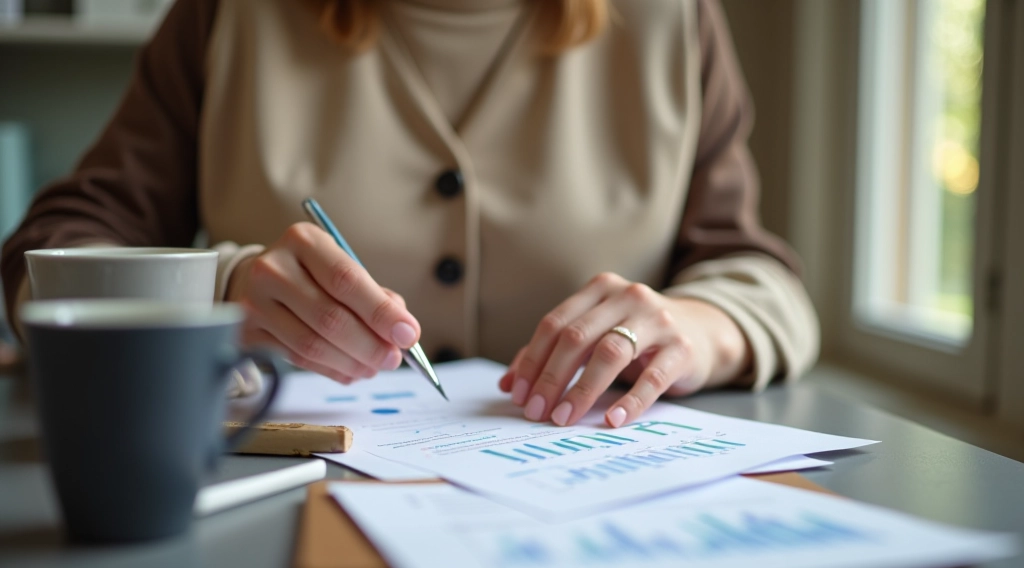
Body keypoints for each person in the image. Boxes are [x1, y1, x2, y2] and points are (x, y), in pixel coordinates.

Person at [1, 0, 818, 428]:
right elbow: (47, 256)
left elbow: (753, 273)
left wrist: (701, 327)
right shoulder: (229, 12)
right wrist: (217, 292)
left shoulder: (672, 19)